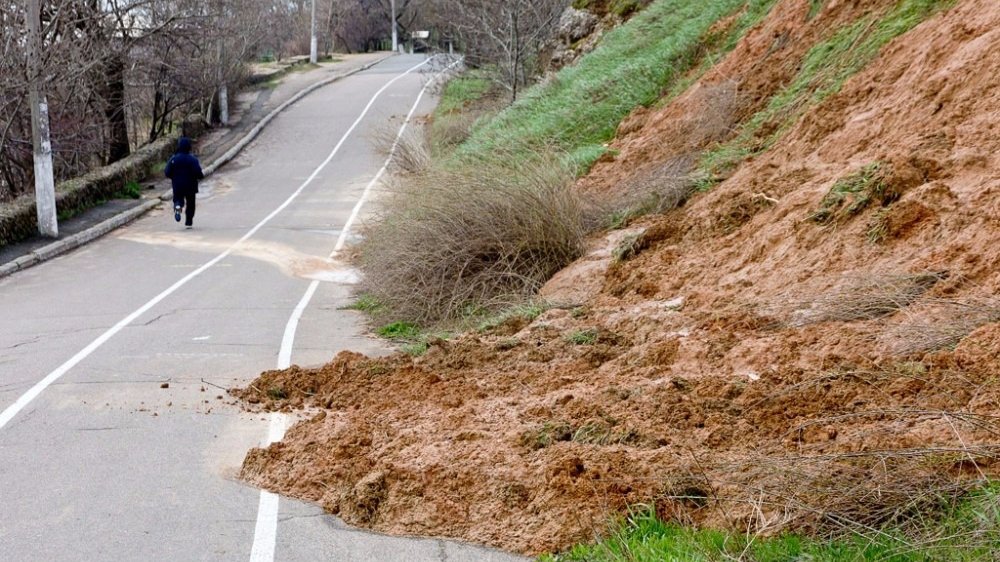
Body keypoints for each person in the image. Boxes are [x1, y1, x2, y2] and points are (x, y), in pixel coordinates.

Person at [164, 137, 204, 229]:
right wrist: (200, 176)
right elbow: (198, 172)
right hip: (191, 185)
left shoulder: (173, 159)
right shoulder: (193, 159)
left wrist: (173, 178)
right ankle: (189, 221)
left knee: (178, 198)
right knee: (191, 204)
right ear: (189, 147)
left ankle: (178, 206)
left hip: (178, 185)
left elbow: (167, 172)